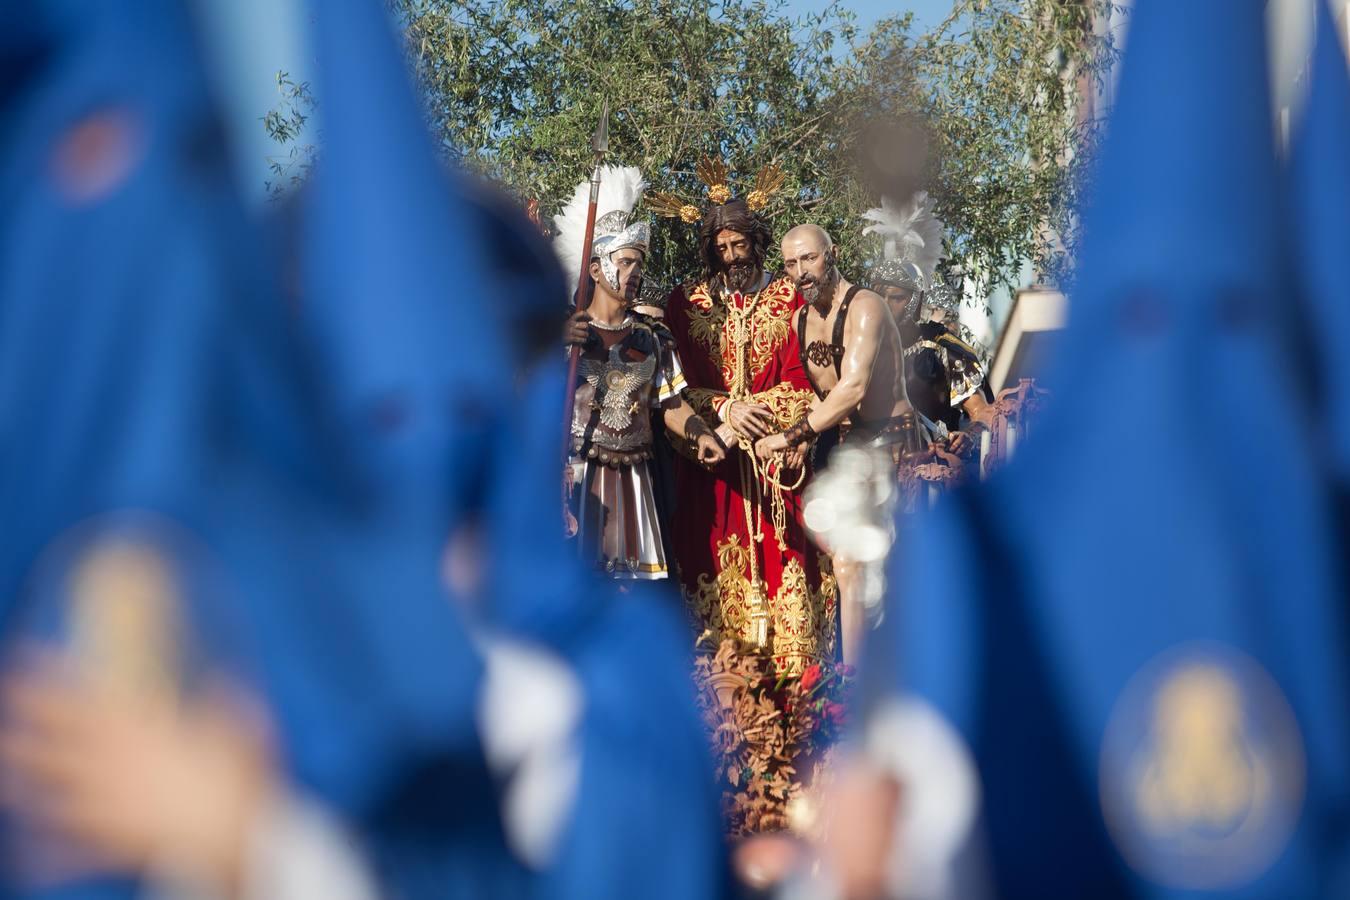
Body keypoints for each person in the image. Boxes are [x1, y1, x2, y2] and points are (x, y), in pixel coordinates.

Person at [753, 223, 919, 661]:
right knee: (845, 563)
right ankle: (851, 681)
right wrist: (805, 442)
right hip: (844, 447)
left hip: (891, 443)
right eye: (790, 264)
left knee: (893, 565)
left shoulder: (867, 307)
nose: (801, 271)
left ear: (832, 252)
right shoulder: (799, 319)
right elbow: (821, 393)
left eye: (809, 258)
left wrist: (792, 434)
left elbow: (852, 388)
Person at [556, 166, 723, 579]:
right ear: (595, 269)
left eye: (640, 264)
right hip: (577, 474)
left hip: (634, 478)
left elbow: (670, 403)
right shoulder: (566, 333)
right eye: (625, 261)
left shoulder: (652, 338)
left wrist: (701, 433)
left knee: (628, 590)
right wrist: (555, 344)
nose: (635, 272)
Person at [864, 192, 992, 455]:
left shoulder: (942, 345)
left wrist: (966, 437)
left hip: (931, 468)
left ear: (916, 298)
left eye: (897, 297)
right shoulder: (860, 349)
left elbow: (983, 413)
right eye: (880, 296)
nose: (886, 305)